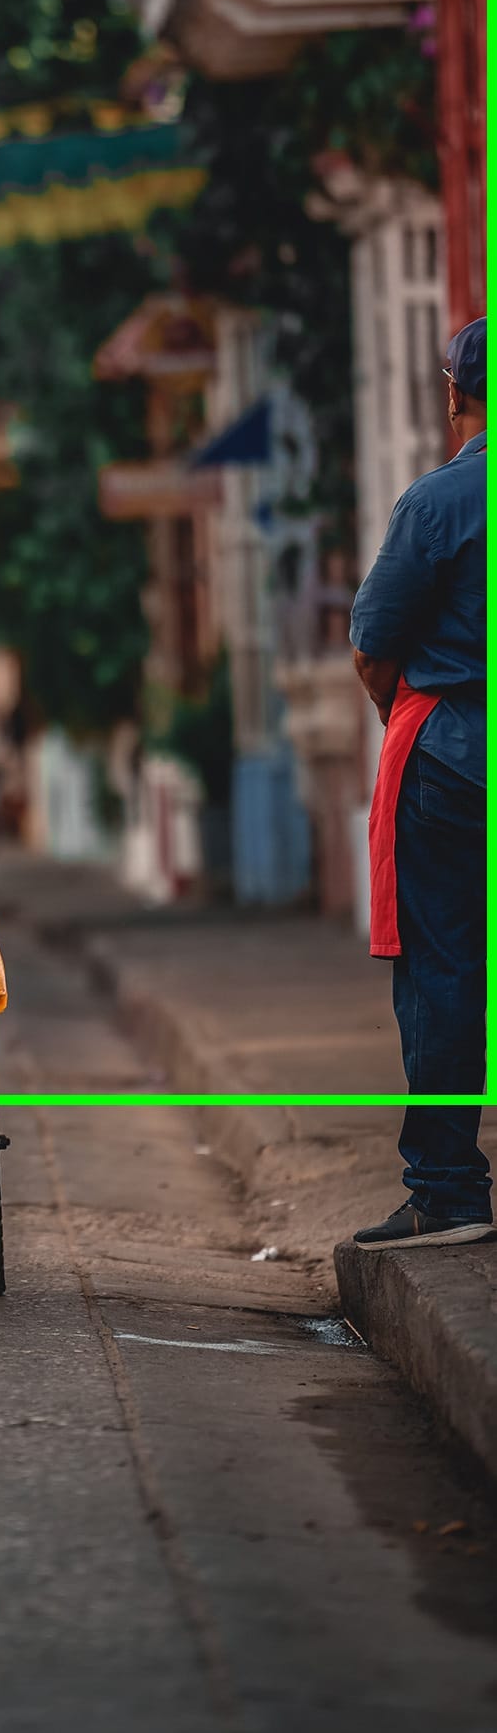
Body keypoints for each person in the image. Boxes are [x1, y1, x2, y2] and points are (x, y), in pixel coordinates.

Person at [348, 317, 492, 1250]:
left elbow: (373, 648)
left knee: (445, 974)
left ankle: (447, 1192)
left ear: (455, 395)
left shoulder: (441, 502)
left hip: (452, 752)